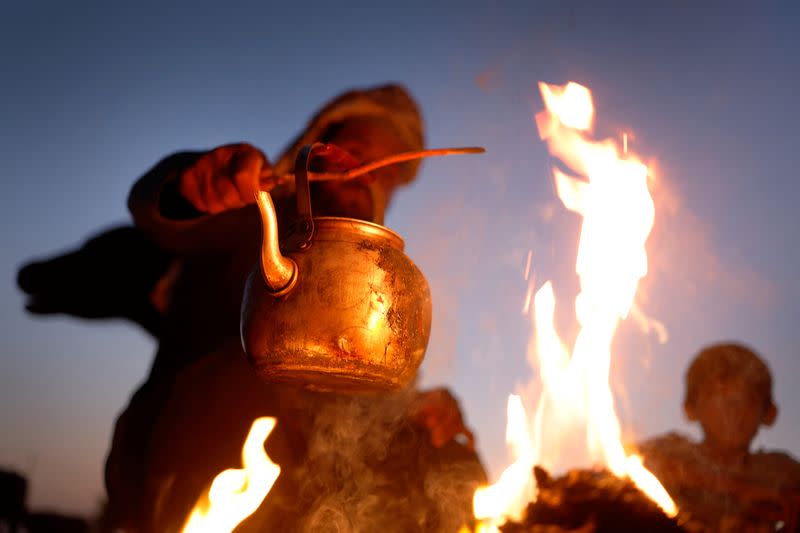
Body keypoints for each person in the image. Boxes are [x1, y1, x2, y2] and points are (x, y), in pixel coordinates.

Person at [18, 84, 485, 532]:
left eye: (385, 170)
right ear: (316, 147)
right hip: (195, 463)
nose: (369, 173)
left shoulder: (375, 286)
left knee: (441, 452)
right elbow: (165, 217)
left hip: (307, 492)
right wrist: (195, 186)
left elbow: (371, 407)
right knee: (243, 380)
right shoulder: (249, 227)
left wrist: (420, 412)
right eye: (357, 151)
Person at [639, 342, 800, 532]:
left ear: (768, 413)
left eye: (749, 398)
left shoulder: (780, 470)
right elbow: (621, 466)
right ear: (691, 408)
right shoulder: (669, 451)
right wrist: (740, 489)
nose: (734, 410)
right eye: (718, 395)